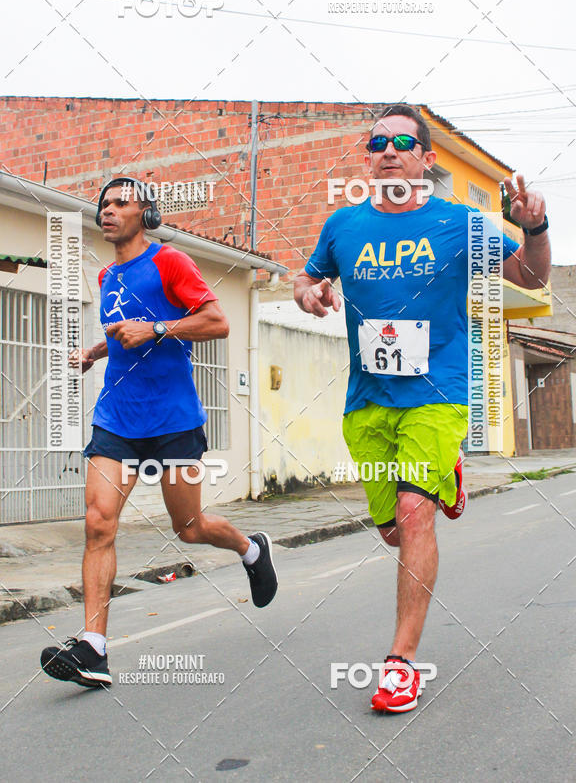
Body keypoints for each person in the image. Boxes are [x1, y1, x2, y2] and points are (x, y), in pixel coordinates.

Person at [294, 104, 550, 713]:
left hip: (438, 392)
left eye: (402, 142)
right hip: (368, 399)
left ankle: (401, 663)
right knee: (389, 528)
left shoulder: (461, 222)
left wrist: (534, 230)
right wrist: (309, 292)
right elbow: (302, 278)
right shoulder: (342, 226)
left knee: (414, 515)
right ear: (368, 156)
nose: (388, 150)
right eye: (377, 141)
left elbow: (534, 282)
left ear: (426, 160)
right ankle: (442, 482)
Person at [41, 177, 277, 688]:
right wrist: (95, 352)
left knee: (188, 527)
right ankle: (93, 648)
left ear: (145, 214)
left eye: (120, 203)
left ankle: (251, 548)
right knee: (98, 523)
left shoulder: (170, 262)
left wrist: (161, 329)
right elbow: (126, 335)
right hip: (117, 419)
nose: (107, 210)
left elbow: (217, 321)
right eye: (103, 204)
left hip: (172, 420)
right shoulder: (106, 276)